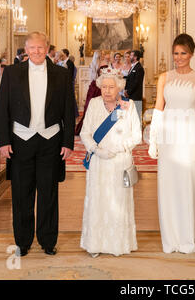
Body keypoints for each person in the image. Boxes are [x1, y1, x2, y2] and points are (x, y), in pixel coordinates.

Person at [0, 31, 75, 257]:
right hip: (20, 141)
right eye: (32, 48)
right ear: (26, 49)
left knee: (49, 193)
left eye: (41, 48)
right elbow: (2, 110)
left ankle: (48, 241)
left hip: (51, 141)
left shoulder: (61, 74)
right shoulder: (11, 73)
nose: (37, 52)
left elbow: (69, 110)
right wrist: (3, 141)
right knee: (21, 194)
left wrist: (68, 142)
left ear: (47, 48)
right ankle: (22, 241)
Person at [148, 34, 195, 254]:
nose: (179, 57)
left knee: (187, 185)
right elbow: (158, 109)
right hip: (168, 135)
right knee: (168, 186)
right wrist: (153, 139)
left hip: (189, 134)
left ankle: (186, 236)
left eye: (183, 53)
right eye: (176, 53)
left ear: (191, 54)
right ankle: (171, 237)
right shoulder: (164, 77)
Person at [80, 67, 142, 257]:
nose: (107, 91)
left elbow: (137, 136)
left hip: (119, 162)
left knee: (118, 203)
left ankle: (118, 244)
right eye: (104, 87)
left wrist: (118, 148)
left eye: (111, 87)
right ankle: (95, 244)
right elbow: (85, 132)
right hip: (99, 162)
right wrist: (96, 150)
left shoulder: (128, 105)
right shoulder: (94, 103)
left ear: (119, 88)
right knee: (98, 202)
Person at [75, 51, 105, 135]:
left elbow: (92, 78)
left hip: (92, 86)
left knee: (90, 107)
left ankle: (87, 128)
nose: (103, 56)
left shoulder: (92, 64)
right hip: (99, 87)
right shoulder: (102, 65)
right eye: (102, 55)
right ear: (99, 56)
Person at [125, 50, 145, 120]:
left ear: (135, 57)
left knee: (137, 116)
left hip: (136, 96)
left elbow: (136, 83)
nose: (130, 57)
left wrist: (128, 92)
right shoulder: (133, 66)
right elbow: (130, 79)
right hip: (131, 95)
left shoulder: (139, 68)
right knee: (131, 116)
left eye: (131, 55)